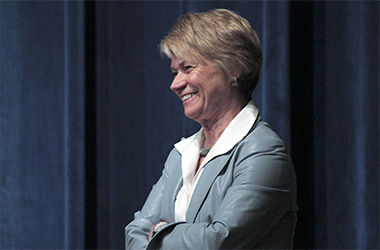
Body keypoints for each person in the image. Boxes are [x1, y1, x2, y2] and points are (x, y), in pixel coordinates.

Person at [125, 8, 297, 249]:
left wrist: (160, 233)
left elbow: (217, 241)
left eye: (188, 68)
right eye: (175, 72)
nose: (175, 84)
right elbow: (135, 234)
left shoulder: (263, 152)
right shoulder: (181, 154)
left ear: (232, 67)